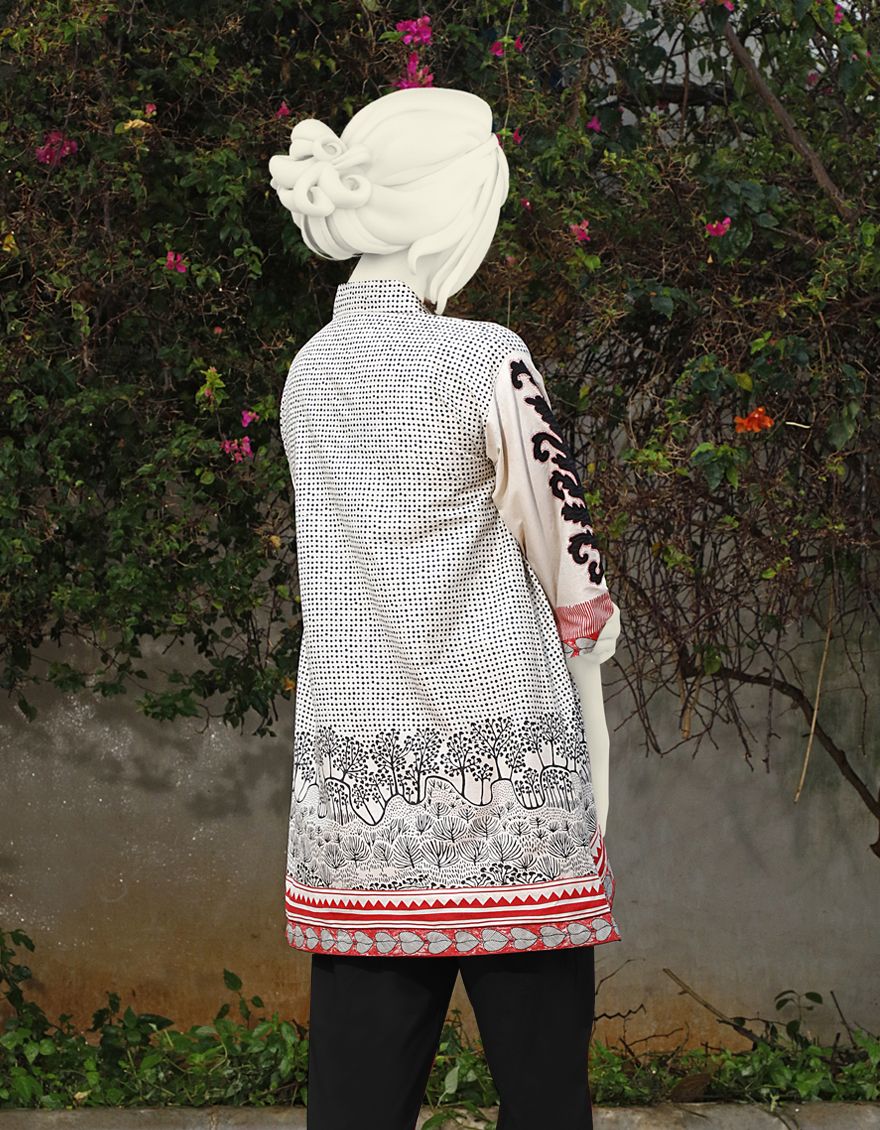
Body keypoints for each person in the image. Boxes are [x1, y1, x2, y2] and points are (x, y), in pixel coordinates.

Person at [268, 86, 622, 1130]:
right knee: (544, 1093)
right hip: (507, 780)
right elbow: (562, 541)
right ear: (453, 211)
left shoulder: (309, 372)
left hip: (358, 793)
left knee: (356, 1100)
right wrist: (592, 620)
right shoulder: (482, 357)